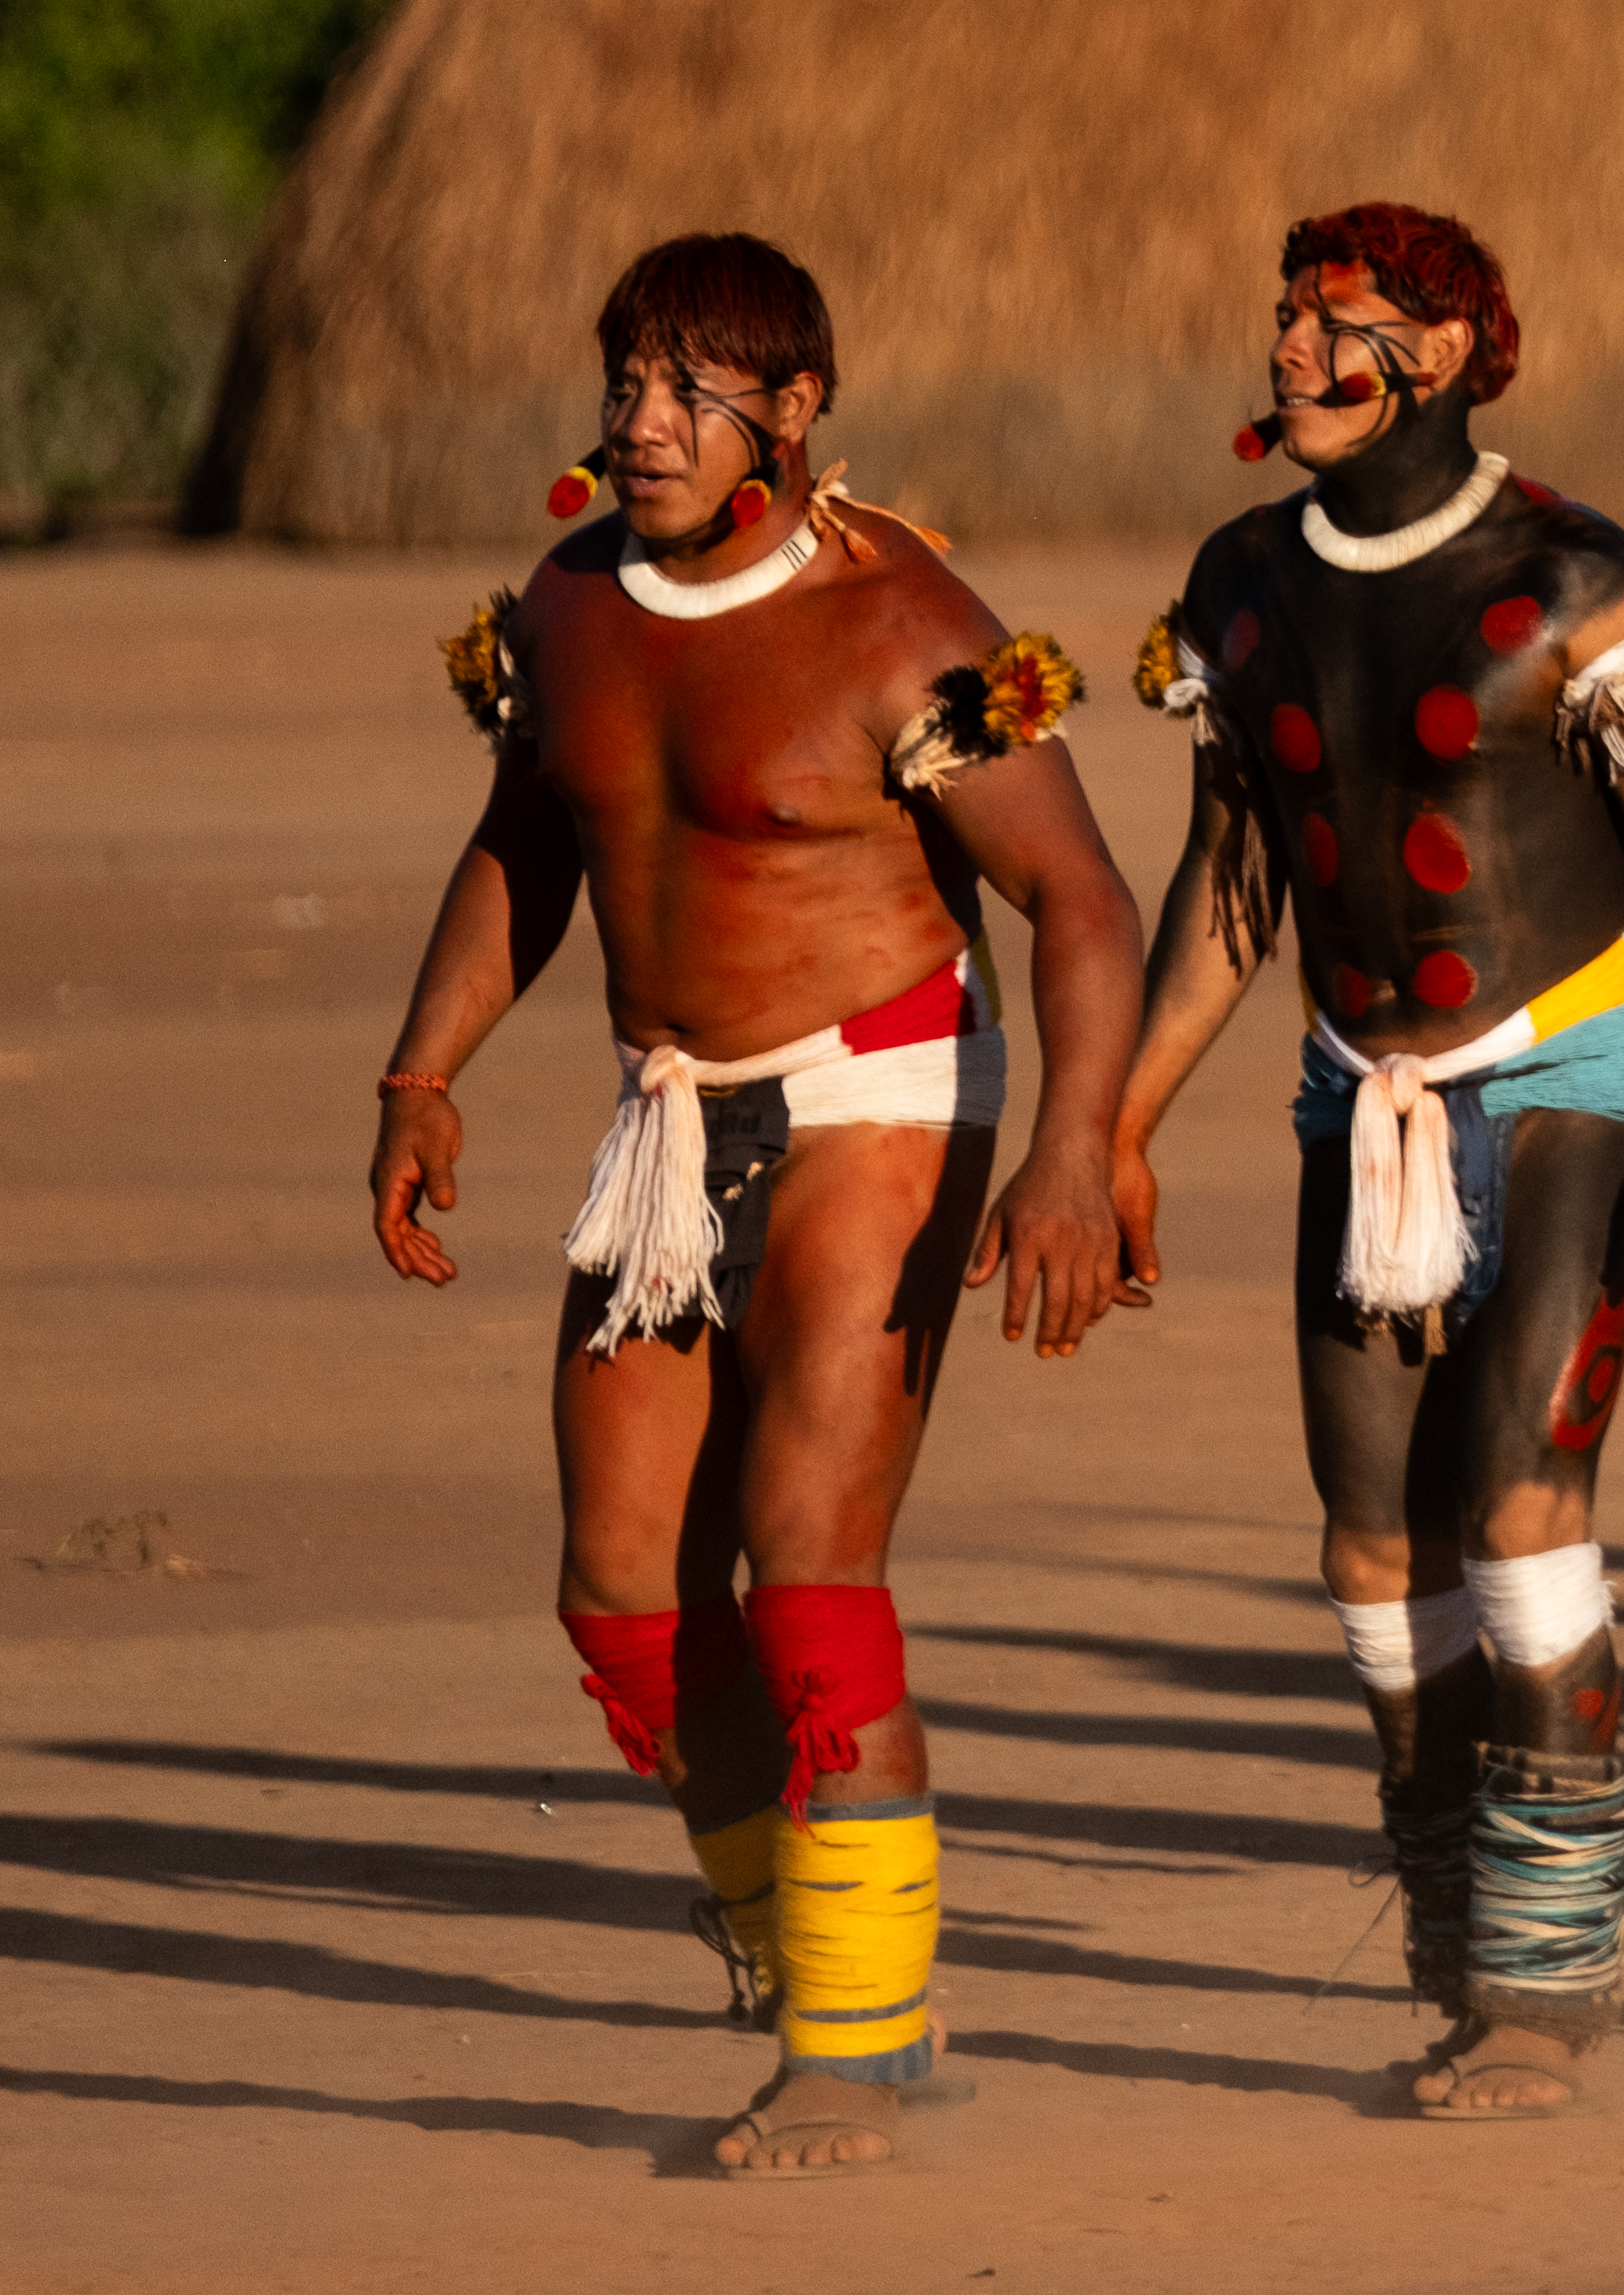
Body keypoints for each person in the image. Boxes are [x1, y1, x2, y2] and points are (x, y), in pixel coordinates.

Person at [374, 232, 1144, 2174]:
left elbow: (1082, 900)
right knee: (627, 1599)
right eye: (623, 379)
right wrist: (422, 1071)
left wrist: (1070, 1148)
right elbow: (521, 848)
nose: (636, 421)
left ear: (790, 416)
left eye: (682, 392)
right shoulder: (562, 609)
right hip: (666, 1112)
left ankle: (856, 2046)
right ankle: (799, 1947)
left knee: (807, 1562)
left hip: (878, 1088)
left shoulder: (906, 631)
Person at [1102, 205, 1624, 2114]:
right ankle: (1465, 1910)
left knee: (1520, 1504)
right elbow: (1232, 880)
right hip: (1356, 1088)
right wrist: (1114, 1130)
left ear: (1460, 352)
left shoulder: (1577, 579)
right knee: (1376, 1554)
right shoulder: (1239, 586)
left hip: (1572, 1065)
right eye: (1292, 319)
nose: (1299, 354)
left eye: (1352, 328)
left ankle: (1543, 1983)